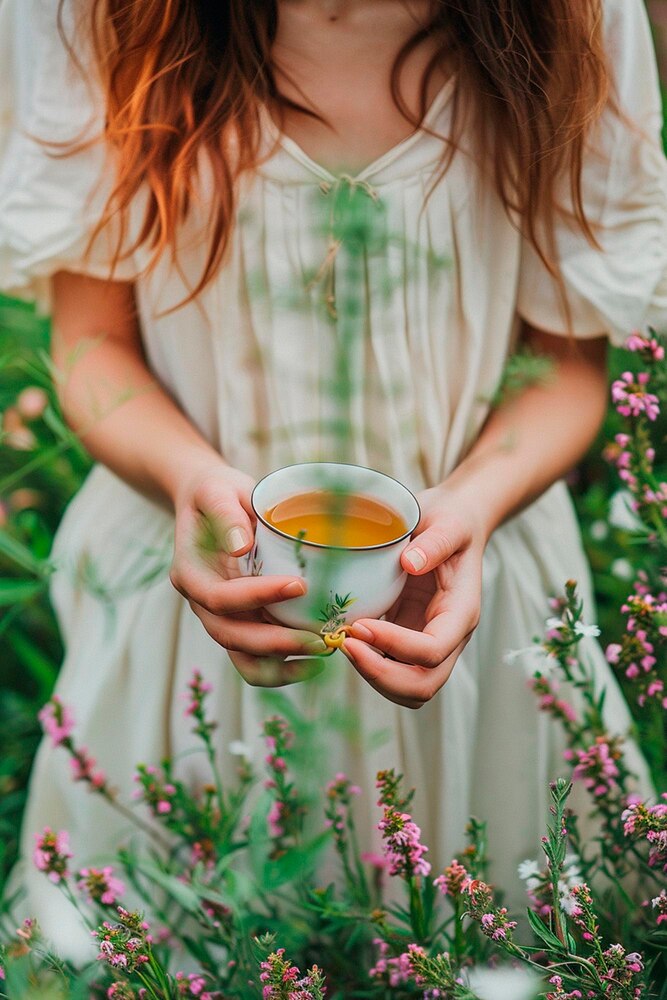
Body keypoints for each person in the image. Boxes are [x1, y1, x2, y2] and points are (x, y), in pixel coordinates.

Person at [1, 0, 665, 959]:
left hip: (476, 609)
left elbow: (566, 368)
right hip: (176, 605)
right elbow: (91, 342)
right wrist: (191, 485)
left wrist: (468, 512)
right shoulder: (97, 14)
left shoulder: (578, 18)